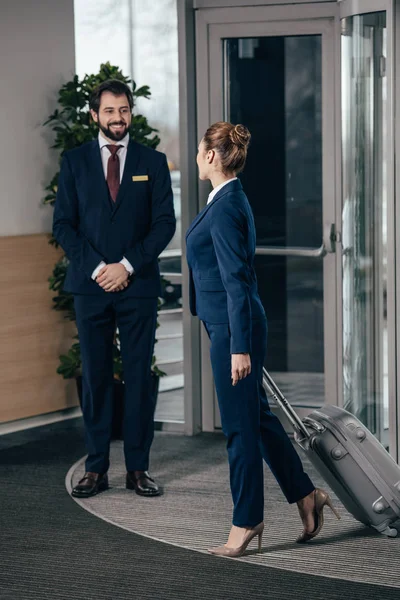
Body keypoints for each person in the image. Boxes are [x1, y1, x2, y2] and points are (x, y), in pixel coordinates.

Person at [186, 121, 339, 557]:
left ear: (212, 156)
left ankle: (247, 521)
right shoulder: (226, 198)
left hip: (235, 330)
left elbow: (237, 281)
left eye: (200, 150)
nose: (198, 156)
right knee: (258, 420)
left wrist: (238, 347)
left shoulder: (227, 205)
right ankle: (306, 496)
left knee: (239, 430)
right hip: (231, 325)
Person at [53, 79, 176, 498]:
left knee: (139, 376)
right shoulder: (73, 162)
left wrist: (125, 266)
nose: (118, 118)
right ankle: (96, 468)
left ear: (131, 113)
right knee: (96, 378)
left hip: (136, 284)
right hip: (91, 288)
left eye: (123, 110)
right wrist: (98, 269)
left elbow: (165, 225)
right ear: (94, 115)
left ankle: (138, 469)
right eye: (109, 111)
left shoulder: (153, 162)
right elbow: (63, 226)